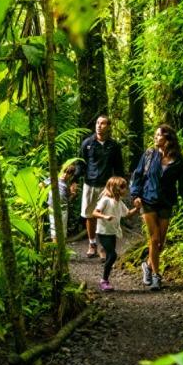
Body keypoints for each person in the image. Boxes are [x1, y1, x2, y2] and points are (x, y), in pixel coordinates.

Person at [130, 124, 183, 290]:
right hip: (148, 200)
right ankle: (157, 276)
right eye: (155, 135)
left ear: (168, 138)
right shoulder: (149, 155)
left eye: (159, 135)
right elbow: (137, 175)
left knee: (160, 243)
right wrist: (135, 195)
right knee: (154, 239)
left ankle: (147, 265)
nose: (155, 137)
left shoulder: (178, 161)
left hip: (166, 202)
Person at [78, 116, 125, 258]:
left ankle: (104, 247)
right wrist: (74, 181)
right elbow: (81, 164)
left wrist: (120, 186)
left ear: (108, 126)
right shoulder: (87, 143)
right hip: (90, 184)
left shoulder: (114, 146)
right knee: (90, 215)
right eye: (97, 123)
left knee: (106, 216)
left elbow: (119, 168)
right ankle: (92, 244)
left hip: (107, 187)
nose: (99, 126)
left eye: (103, 123)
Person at [91, 176, 138, 291]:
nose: (125, 190)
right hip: (103, 232)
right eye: (123, 188)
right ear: (115, 188)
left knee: (110, 256)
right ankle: (104, 281)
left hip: (112, 232)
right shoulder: (106, 200)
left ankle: (105, 279)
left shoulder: (119, 202)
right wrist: (105, 216)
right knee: (113, 255)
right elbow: (94, 213)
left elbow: (126, 214)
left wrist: (137, 208)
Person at [46, 162, 80, 241]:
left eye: (68, 174)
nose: (65, 175)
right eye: (64, 172)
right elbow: (42, 185)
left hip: (63, 208)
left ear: (71, 176)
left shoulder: (67, 184)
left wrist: (73, 194)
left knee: (62, 228)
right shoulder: (54, 178)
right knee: (53, 227)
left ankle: (62, 247)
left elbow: (68, 199)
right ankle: (55, 248)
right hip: (52, 207)